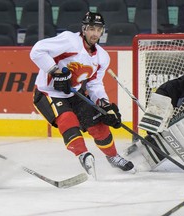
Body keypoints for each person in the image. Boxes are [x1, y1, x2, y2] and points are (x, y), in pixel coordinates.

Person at [30, 12, 135, 177]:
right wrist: (55, 71)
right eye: (91, 29)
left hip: (74, 94)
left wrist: (104, 104)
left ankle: (113, 156)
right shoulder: (70, 41)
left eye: (98, 29)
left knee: (99, 123)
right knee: (67, 119)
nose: (95, 33)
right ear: (84, 29)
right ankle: (83, 155)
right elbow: (37, 51)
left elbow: (94, 83)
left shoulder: (102, 57)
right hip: (47, 92)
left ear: (102, 31)